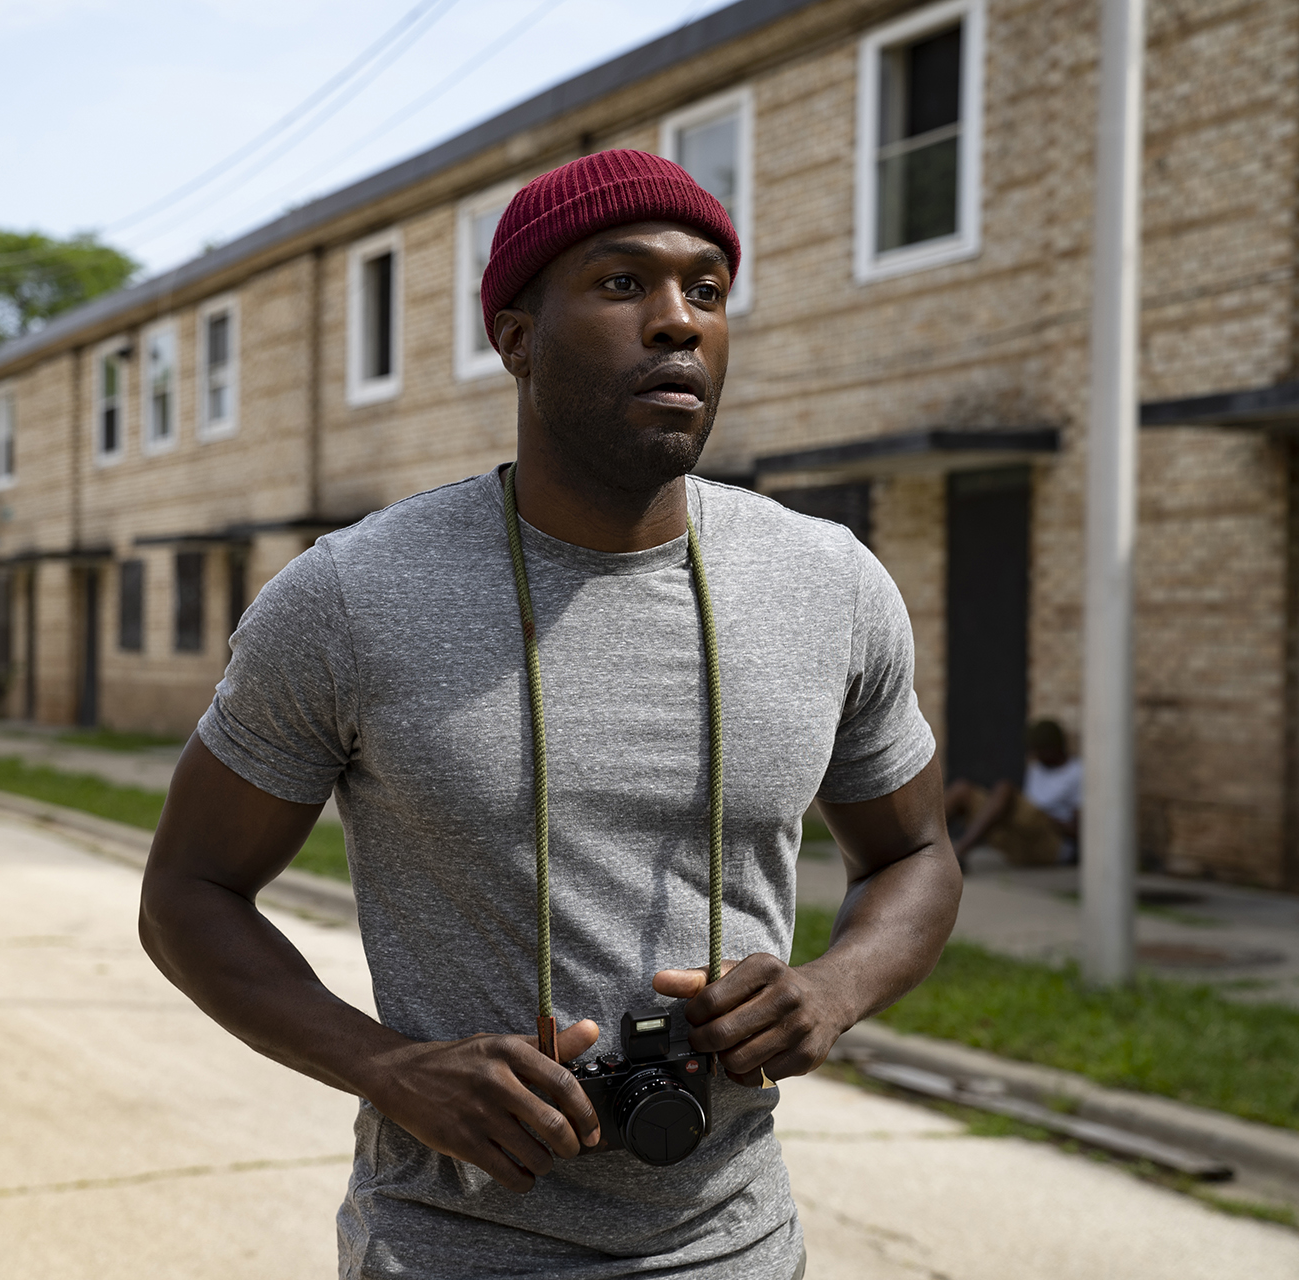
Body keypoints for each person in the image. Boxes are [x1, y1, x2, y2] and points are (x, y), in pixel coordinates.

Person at [139, 150, 961, 1279]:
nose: (677, 320)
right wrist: (390, 1068)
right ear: (517, 337)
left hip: (739, 1244)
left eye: (707, 291)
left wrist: (834, 984)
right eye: (624, 284)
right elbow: (187, 893)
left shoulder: (830, 583)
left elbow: (917, 852)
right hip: (449, 1245)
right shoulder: (351, 598)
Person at [943, 719, 1082, 868]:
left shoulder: (1077, 773)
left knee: (1005, 789)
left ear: (1054, 748)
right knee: (962, 790)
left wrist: (1048, 818)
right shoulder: (1036, 768)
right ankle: (918, 849)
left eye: (1039, 751)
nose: (1034, 755)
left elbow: (1080, 831)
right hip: (1021, 836)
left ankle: (959, 852)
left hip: (1052, 843)